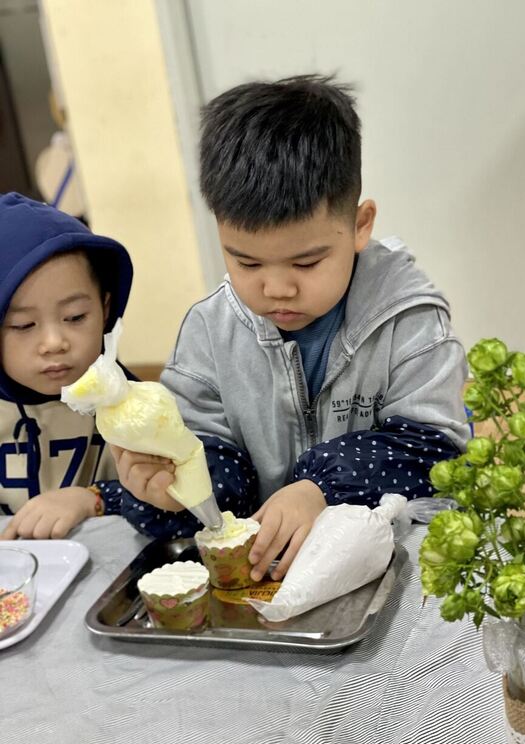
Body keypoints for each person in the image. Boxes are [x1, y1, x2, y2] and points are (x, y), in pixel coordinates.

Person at [114, 75, 470, 581]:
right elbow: (214, 466)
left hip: (390, 566)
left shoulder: (409, 319)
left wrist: (321, 488)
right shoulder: (210, 331)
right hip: (266, 577)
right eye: (247, 263)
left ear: (360, 225)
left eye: (306, 263)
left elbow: (433, 451)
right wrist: (175, 490)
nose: (276, 289)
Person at [0, 192, 133, 539]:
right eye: (23, 325)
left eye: (74, 317)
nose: (54, 342)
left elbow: (182, 503)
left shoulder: (132, 403)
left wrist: (96, 499)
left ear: (105, 309)